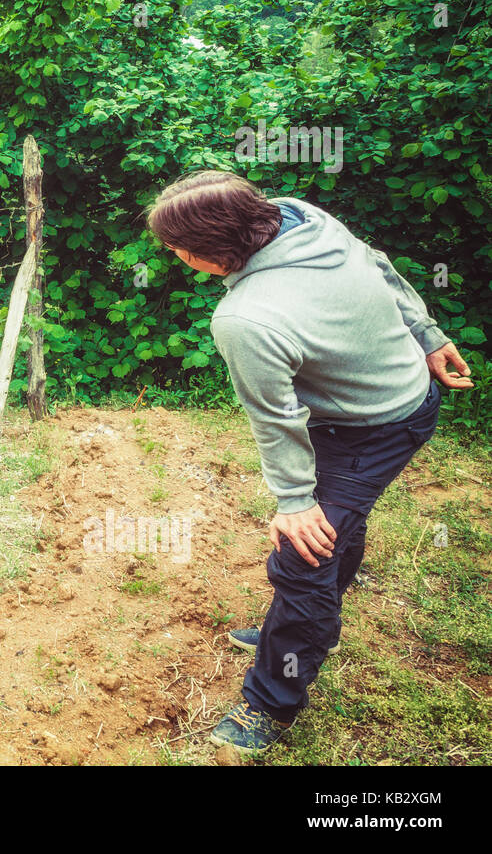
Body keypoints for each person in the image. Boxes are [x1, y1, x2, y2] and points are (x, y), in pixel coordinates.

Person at [146, 170, 473, 755]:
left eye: (177, 249)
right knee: (337, 526)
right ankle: (295, 628)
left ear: (212, 254)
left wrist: (295, 503)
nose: (174, 256)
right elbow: (377, 263)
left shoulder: (246, 319)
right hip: (400, 401)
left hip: (374, 428)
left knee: (304, 552)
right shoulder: (297, 215)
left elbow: (276, 418)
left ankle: (271, 700)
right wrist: (425, 331)